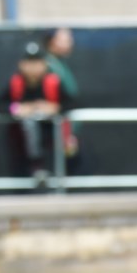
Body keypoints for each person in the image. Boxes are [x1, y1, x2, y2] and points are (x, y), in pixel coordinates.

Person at [0, 41, 74, 178]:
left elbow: (73, 102)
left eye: (37, 62)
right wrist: (17, 109)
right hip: (21, 148)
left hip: (52, 145)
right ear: (21, 64)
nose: (33, 67)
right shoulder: (16, 83)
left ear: (45, 64)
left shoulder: (53, 82)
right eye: (29, 62)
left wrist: (55, 108)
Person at [43, 27, 85, 175]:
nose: (70, 43)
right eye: (65, 39)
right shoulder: (45, 65)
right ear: (51, 41)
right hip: (53, 131)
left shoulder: (60, 63)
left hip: (68, 129)